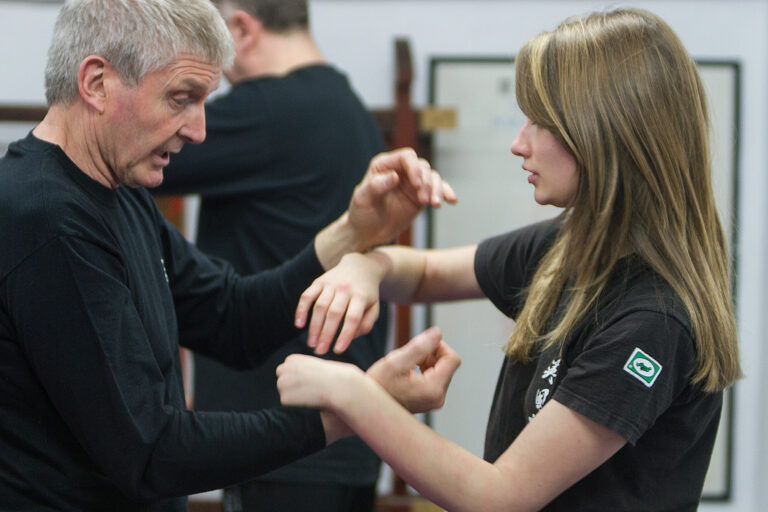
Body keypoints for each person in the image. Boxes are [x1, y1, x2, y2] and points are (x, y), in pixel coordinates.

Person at [276, 8, 742, 511]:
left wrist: (353, 394)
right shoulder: (568, 247)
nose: (519, 144)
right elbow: (427, 273)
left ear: (608, 133)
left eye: (541, 123)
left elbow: (500, 498)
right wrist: (365, 267)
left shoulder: (653, 319)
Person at [0, 0, 459, 510]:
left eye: (204, 102)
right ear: (97, 83)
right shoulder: (45, 217)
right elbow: (152, 450)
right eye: (180, 98)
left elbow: (232, 318)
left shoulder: (119, 190)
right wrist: (354, 409)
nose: (197, 130)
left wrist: (353, 232)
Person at [153, 1, 389, 509]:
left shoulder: (264, 108)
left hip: (289, 442)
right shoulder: (346, 105)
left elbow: (126, 150)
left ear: (241, 28)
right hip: (335, 434)